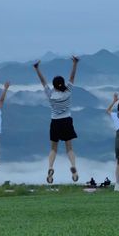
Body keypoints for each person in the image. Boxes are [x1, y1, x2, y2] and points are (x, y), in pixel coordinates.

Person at [34, 56, 80, 184]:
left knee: (53, 149)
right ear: (63, 83)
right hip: (67, 121)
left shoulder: (51, 95)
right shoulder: (68, 91)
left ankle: (50, 168)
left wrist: (37, 69)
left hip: (55, 122)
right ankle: (73, 166)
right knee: (69, 148)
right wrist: (75, 63)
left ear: (53, 85)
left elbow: (43, 81)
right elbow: (72, 77)